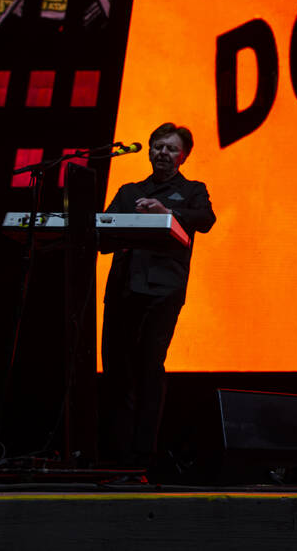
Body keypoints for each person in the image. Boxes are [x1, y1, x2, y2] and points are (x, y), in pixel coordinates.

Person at [101, 122, 216, 472]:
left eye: (170, 148)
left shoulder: (192, 190)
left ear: (183, 156)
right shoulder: (128, 190)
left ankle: (142, 459)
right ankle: (117, 459)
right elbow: (103, 233)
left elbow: (207, 219)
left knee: (149, 368)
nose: (162, 153)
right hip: (122, 289)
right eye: (157, 146)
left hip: (162, 292)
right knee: (117, 373)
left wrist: (169, 213)